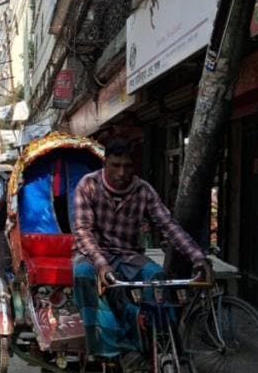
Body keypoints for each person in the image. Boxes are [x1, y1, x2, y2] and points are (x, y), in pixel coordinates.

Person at [72, 140, 214, 364]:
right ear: (105, 163)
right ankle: (115, 350)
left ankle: (161, 341)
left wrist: (197, 257)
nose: (122, 173)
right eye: (115, 165)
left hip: (128, 254)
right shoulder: (88, 184)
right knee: (84, 275)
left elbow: (168, 225)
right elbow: (82, 231)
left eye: (127, 166)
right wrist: (101, 263)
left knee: (157, 278)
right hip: (93, 254)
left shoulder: (143, 190)